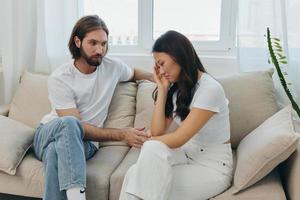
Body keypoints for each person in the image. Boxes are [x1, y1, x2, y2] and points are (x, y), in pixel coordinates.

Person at [33, 15, 153, 200]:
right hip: (47, 133)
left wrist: (158, 78)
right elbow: (75, 126)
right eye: (93, 43)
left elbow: (134, 73)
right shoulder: (61, 78)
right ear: (78, 41)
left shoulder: (113, 67)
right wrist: (122, 134)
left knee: (55, 152)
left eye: (104, 44)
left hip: (85, 144)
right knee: (70, 124)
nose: (100, 50)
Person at [119, 30, 233, 200]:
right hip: (186, 155)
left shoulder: (210, 89)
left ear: (178, 56)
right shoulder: (176, 89)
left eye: (162, 63)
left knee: (137, 178)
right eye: (157, 66)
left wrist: (147, 141)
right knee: (135, 171)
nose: (160, 70)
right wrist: (163, 89)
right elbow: (158, 132)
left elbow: (179, 138)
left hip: (211, 166)